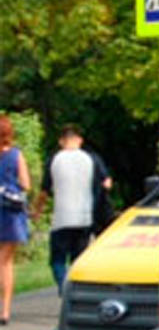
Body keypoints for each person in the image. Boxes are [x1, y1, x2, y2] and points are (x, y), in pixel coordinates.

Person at [41, 125, 112, 294]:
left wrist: (38, 210)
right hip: (84, 217)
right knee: (78, 258)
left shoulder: (54, 160)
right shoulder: (91, 158)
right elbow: (107, 183)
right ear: (80, 140)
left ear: (61, 141)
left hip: (61, 219)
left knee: (57, 260)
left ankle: (63, 286)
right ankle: (74, 289)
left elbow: (44, 191)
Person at [0, 116, 32, 325]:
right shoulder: (16, 155)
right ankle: (5, 311)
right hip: (10, 213)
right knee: (6, 262)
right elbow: (26, 184)